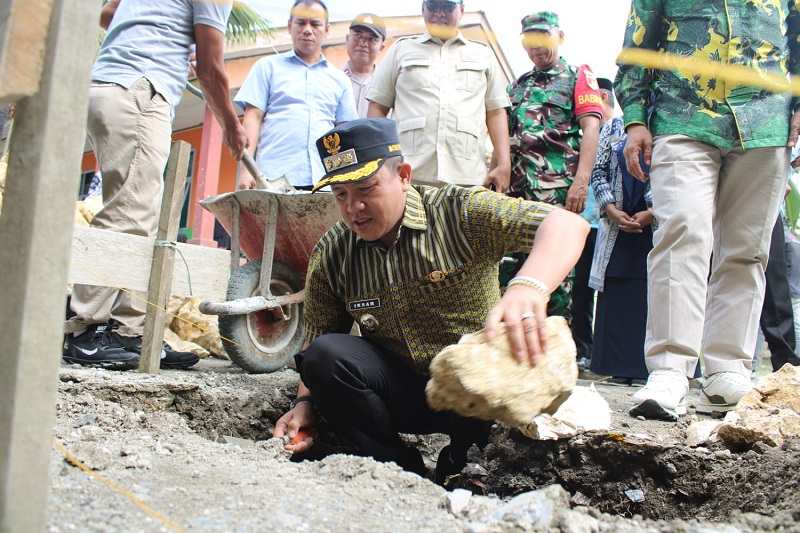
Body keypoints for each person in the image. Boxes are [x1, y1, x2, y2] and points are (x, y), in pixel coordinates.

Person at [272, 118, 589, 483]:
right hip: (397, 393)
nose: (354, 207)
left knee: (478, 398)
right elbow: (318, 338)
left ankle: (464, 463)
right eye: (341, 194)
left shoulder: (459, 212)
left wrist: (528, 287)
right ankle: (391, 467)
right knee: (325, 356)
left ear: (403, 175)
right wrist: (303, 404)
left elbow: (566, 225)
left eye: (366, 188)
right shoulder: (332, 252)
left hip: (475, 395)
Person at [616, 0, 800, 421]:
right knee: (682, 231)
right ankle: (669, 369)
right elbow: (637, 46)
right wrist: (635, 120)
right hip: (682, 117)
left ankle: (728, 369)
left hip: (766, 120)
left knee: (747, 249)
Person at [64, 0, 248, 370]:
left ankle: (129, 332)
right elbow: (212, 70)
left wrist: (172, 41)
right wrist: (231, 124)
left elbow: (108, 12)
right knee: (130, 213)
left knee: (136, 211)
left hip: (109, 84)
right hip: (140, 90)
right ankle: (87, 331)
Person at [501, 11, 602, 321]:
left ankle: (556, 347)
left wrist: (581, 181)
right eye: (530, 40)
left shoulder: (578, 75)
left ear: (559, 37)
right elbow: (504, 136)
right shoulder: (518, 85)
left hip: (556, 189)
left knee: (554, 271)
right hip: (517, 192)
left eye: (544, 38)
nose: (537, 47)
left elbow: (591, 129)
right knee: (512, 269)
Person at [366, 0, 511, 191]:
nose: (440, 13)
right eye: (433, 6)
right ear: (423, 9)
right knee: (408, 222)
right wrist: (379, 160)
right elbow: (377, 107)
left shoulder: (483, 55)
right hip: (408, 177)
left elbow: (496, 112)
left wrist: (504, 164)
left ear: (461, 10)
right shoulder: (401, 50)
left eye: (448, 7)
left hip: (467, 179)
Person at [235, 0, 357, 190]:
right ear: (290, 26)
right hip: (272, 181)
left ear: (326, 30)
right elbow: (253, 118)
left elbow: (343, 133)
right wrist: (246, 171)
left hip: (324, 183)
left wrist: (344, 182)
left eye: (315, 24)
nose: (308, 30)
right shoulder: (267, 67)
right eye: (301, 23)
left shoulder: (340, 79)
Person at [587, 88, 653, 386]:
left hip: (654, 224)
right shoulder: (612, 128)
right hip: (617, 223)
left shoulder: (669, 126)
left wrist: (653, 211)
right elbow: (597, 171)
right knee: (616, 291)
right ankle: (615, 366)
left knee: (654, 291)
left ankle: (650, 369)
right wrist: (611, 210)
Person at [572, 77, 616, 368]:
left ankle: (604, 353)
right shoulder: (581, 132)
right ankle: (583, 351)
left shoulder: (621, 131)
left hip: (610, 222)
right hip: (582, 223)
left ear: (600, 95)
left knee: (609, 291)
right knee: (580, 290)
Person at [343, 13, 386, 118]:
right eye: (358, 36)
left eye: (372, 39)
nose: (363, 43)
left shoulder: (386, 85)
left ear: (381, 48)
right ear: (347, 39)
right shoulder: (333, 80)